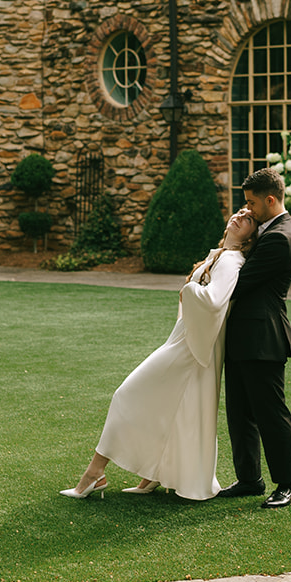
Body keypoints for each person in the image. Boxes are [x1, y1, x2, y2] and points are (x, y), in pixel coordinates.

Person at [60, 209, 257, 501]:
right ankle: (151, 475)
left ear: (250, 237)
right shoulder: (219, 255)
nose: (240, 216)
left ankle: (94, 473)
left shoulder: (231, 261)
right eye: (240, 211)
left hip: (192, 349)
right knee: (172, 409)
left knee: (127, 395)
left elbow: (214, 301)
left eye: (249, 219)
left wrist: (190, 288)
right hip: (185, 340)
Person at [218, 167, 291, 509]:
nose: (247, 209)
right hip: (242, 335)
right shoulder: (265, 230)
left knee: (270, 413)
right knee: (239, 412)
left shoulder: (280, 237)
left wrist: (231, 246)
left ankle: (288, 484)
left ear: (270, 200)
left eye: (252, 203)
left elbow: (239, 282)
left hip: (264, 337)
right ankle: (250, 478)